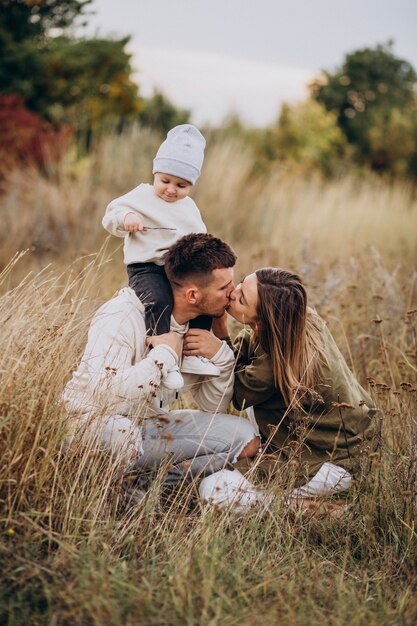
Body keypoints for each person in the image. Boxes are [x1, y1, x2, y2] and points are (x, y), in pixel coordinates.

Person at [62, 234, 260, 491]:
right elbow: (106, 393)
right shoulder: (121, 315)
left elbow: (213, 408)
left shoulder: (199, 324)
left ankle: (153, 487)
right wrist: (164, 354)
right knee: (121, 435)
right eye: (224, 288)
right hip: (91, 423)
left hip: (149, 425)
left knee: (244, 436)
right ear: (192, 295)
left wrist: (222, 356)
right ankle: (100, 492)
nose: (232, 293)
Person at [184, 267, 377, 500]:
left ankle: (307, 508)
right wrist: (222, 333)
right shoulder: (295, 317)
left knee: (214, 490)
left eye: (242, 299)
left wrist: (218, 348)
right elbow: (243, 362)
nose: (232, 294)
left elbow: (235, 395)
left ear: (263, 323)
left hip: (329, 459)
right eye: (242, 284)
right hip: (340, 441)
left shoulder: (276, 363)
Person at [102, 124, 219, 390]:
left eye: (181, 185)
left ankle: (194, 354)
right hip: (146, 268)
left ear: (191, 184)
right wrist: (126, 218)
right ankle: (161, 356)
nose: (170, 190)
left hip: (177, 268)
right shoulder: (141, 196)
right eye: (165, 180)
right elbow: (110, 216)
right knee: (159, 299)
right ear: (155, 173)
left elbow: (200, 238)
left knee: (205, 296)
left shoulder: (189, 208)